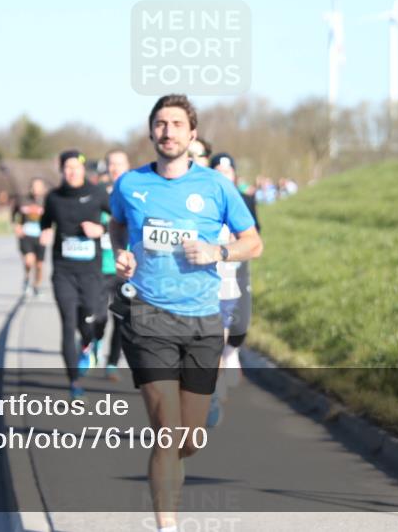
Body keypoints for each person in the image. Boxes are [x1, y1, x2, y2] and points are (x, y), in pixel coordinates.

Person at [109, 94, 263, 532]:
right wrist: (121, 252)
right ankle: (166, 525)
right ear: (151, 131)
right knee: (166, 430)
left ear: (192, 135)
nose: (168, 131)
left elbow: (253, 242)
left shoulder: (216, 187)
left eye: (177, 124)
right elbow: (117, 224)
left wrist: (218, 250)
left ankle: (173, 465)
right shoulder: (130, 185)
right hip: (148, 316)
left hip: (202, 320)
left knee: (189, 439)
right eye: (160, 123)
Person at [39, 150, 110, 399]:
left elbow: (118, 220)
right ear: (62, 170)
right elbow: (45, 221)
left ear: (83, 169)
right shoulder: (54, 198)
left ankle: (88, 344)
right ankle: (74, 381)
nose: (72, 172)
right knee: (68, 324)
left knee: (91, 320)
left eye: (76, 167)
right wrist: (45, 231)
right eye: (67, 167)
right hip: (63, 272)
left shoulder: (97, 193)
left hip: (91, 272)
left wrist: (101, 229)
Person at [209, 152, 260, 414]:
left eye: (227, 171)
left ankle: (230, 355)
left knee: (237, 327)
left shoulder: (246, 200)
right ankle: (215, 388)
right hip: (208, 278)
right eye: (217, 170)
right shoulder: (203, 201)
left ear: (234, 175)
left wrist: (234, 246)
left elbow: (254, 237)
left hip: (235, 271)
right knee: (213, 337)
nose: (222, 175)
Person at [101, 148, 132, 382]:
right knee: (97, 318)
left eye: (119, 164)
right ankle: (90, 343)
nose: (115, 169)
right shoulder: (97, 194)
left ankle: (111, 363)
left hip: (125, 269)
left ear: (127, 166)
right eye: (111, 164)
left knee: (120, 318)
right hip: (99, 267)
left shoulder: (135, 195)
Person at [12, 177, 48, 297]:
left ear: (43, 189)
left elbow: (53, 218)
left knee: (39, 265)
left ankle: (36, 285)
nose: (36, 189)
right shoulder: (23, 200)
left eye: (39, 187)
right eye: (34, 186)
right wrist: (16, 225)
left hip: (40, 237)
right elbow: (13, 214)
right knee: (28, 261)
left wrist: (49, 232)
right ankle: (27, 279)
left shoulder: (47, 201)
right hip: (26, 236)